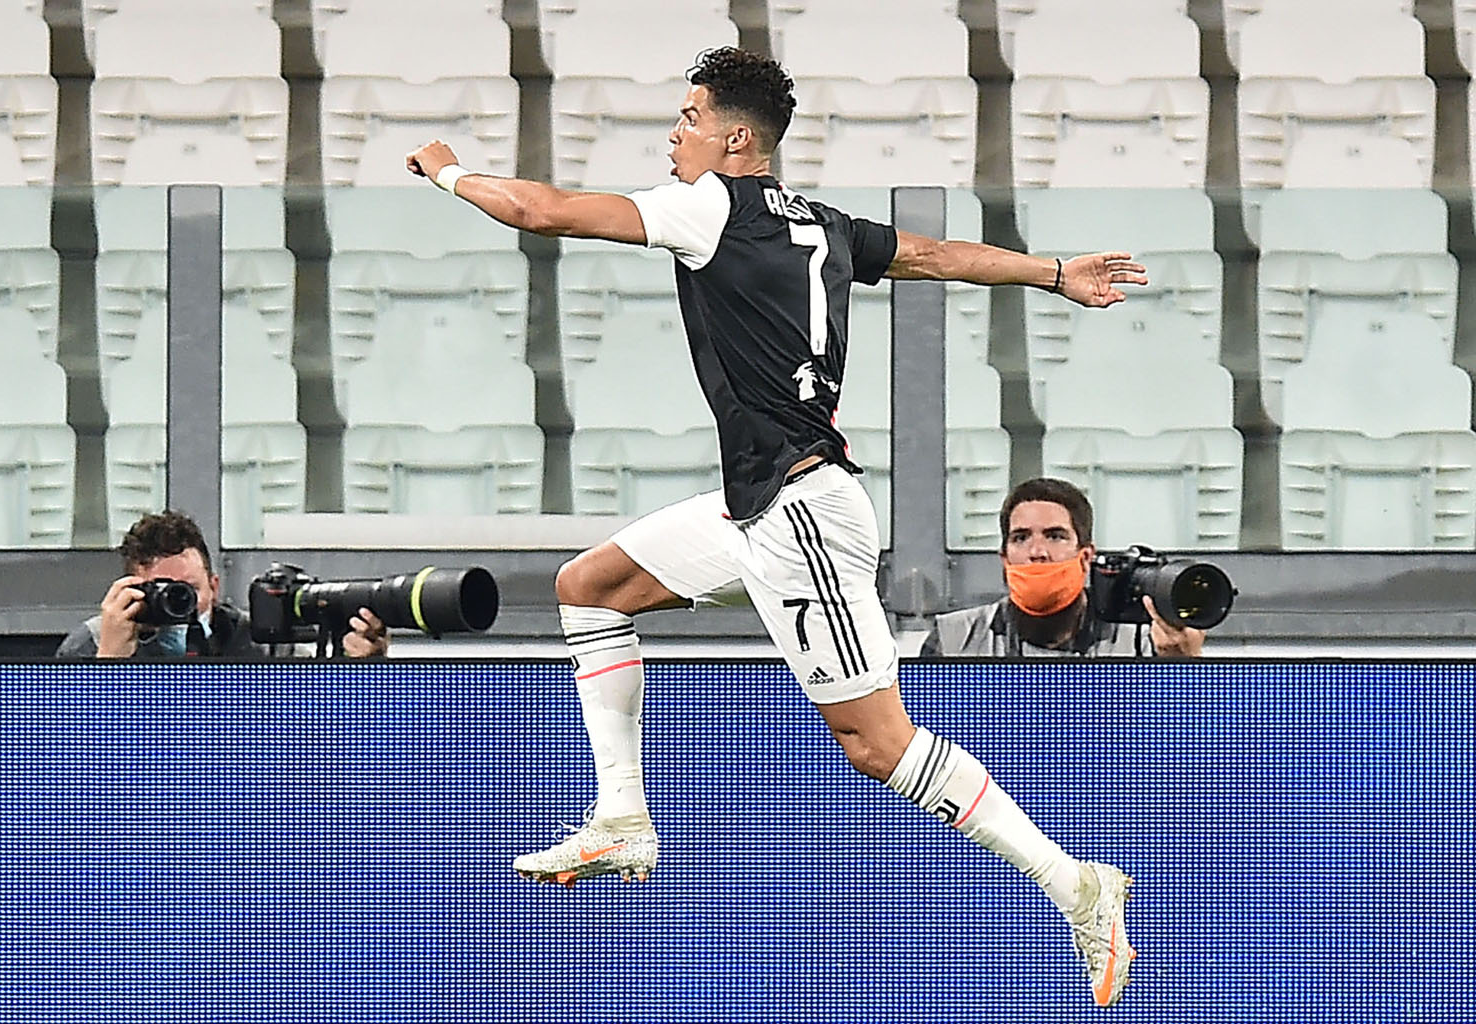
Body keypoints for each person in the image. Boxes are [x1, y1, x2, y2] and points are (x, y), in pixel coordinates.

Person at [408, 47, 1146, 1005]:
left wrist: (448, 169)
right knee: (589, 587)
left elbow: (539, 210)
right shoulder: (821, 225)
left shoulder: (707, 205)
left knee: (878, 746)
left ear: (736, 138)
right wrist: (1052, 271)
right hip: (757, 504)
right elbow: (934, 255)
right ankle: (621, 815)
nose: (675, 134)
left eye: (689, 116)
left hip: (801, 513)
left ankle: (1074, 883)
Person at [922, 478, 1208, 657]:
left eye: (1055, 536)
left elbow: (1184, 745)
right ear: (1004, 558)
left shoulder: (1144, 642)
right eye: (1021, 538)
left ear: (1085, 557)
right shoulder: (952, 640)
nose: (1037, 552)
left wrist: (1185, 669)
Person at [55, 510, 389, 660]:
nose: (180, 608)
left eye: (189, 591)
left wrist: (361, 671)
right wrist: (110, 662)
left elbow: (322, 736)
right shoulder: (91, 644)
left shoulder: (260, 644)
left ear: (214, 586)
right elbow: (69, 766)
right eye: (165, 593)